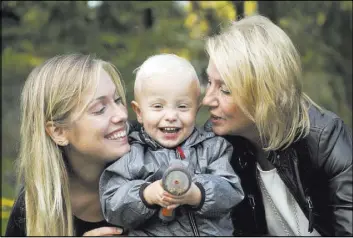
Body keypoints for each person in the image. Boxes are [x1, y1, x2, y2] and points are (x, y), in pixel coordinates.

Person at [202, 14, 352, 236]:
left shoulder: (324, 138)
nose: (207, 100)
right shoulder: (217, 146)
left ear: (265, 92)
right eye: (209, 82)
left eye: (225, 90)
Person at [99, 54, 244, 236]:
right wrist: (146, 194)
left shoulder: (212, 146)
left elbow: (231, 191)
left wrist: (197, 193)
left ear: (196, 110)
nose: (171, 116)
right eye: (158, 106)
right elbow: (112, 205)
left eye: (182, 107)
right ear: (139, 112)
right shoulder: (131, 153)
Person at [5, 54, 131, 236]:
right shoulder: (33, 208)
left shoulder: (155, 164)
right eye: (100, 109)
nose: (122, 115)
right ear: (58, 132)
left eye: (118, 100)